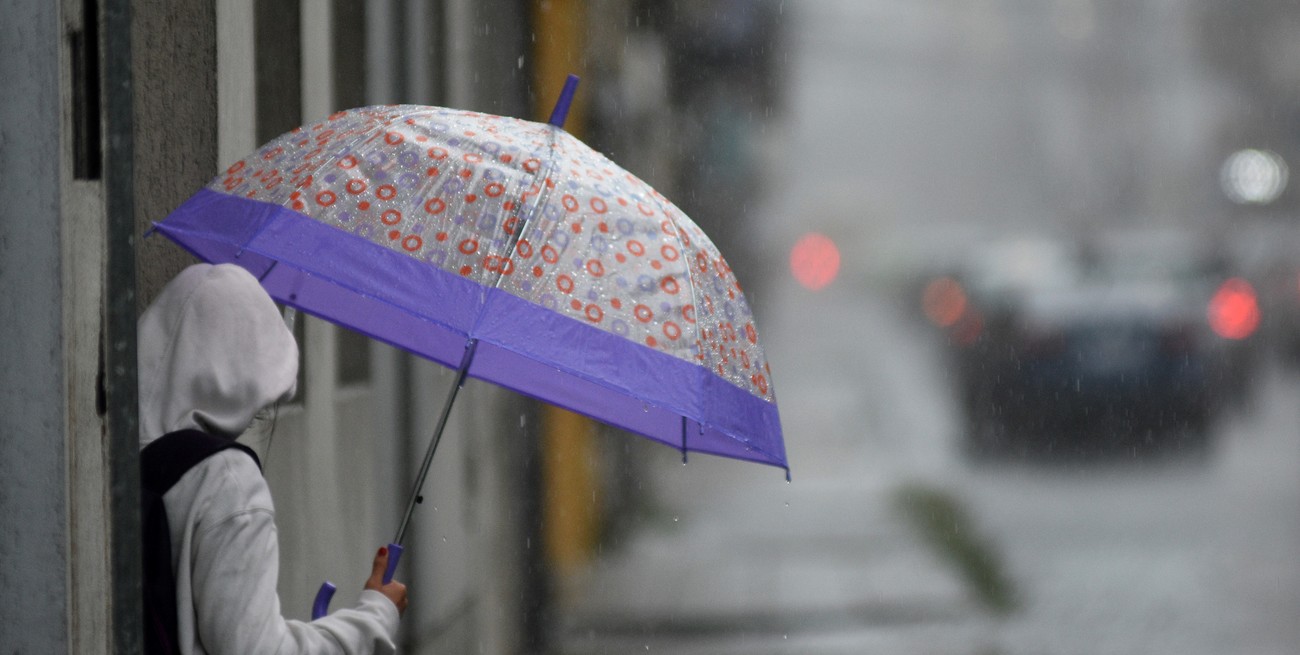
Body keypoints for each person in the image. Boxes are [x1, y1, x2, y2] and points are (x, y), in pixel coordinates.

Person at [138, 262, 407, 654]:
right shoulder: (226, 481)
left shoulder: (110, 450)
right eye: (261, 406)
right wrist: (374, 618)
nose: (252, 418)